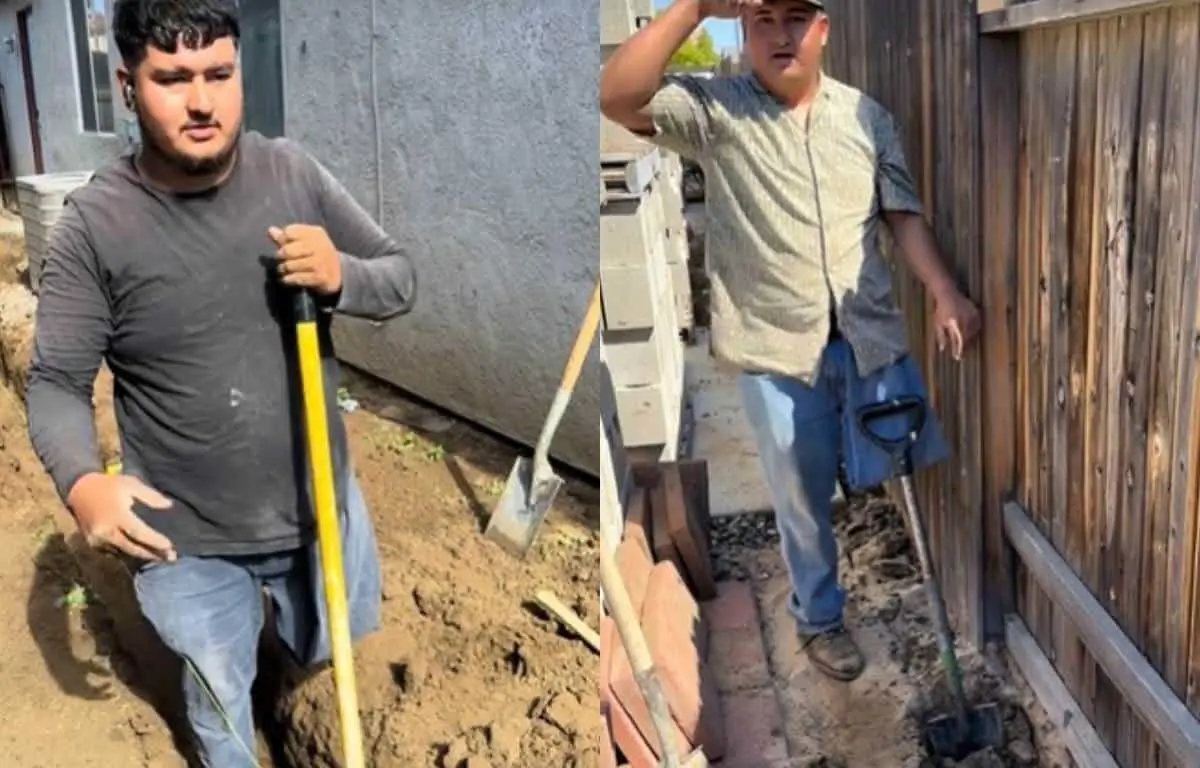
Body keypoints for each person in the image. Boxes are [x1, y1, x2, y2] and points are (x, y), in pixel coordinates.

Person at [25, 0, 416, 763]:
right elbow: (55, 382)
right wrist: (83, 485)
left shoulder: (291, 173)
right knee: (221, 716)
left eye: (219, 73)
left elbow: (398, 280)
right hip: (190, 544)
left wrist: (342, 276)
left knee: (327, 667)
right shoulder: (96, 226)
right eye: (172, 78)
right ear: (128, 84)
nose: (202, 100)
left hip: (320, 514)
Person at [600, 0, 980, 682]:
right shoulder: (714, 113)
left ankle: (918, 595)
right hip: (777, 355)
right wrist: (692, 8)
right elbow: (618, 95)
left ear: (823, 30)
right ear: (742, 31)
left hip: (866, 337)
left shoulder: (866, 118)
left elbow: (900, 212)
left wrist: (944, 291)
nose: (781, 35)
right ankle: (820, 618)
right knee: (802, 500)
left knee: (902, 471)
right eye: (764, 19)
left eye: (796, 18)